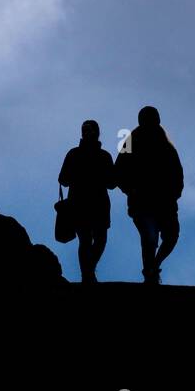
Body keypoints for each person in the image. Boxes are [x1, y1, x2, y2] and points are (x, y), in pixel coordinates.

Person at [115, 106, 183, 284]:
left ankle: (153, 265)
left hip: (165, 201)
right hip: (142, 202)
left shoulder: (165, 142)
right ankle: (150, 273)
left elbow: (177, 170)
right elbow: (119, 170)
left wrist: (176, 192)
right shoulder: (131, 141)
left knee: (171, 235)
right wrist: (131, 189)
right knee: (150, 237)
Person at [59, 120, 117, 284]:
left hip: (81, 203)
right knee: (96, 240)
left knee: (88, 240)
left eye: (87, 130)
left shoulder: (74, 154)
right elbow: (112, 183)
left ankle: (88, 273)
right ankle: (88, 273)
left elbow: (63, 179)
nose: (86, 132)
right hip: (96, 204)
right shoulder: (104, 156)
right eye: (85, 130)